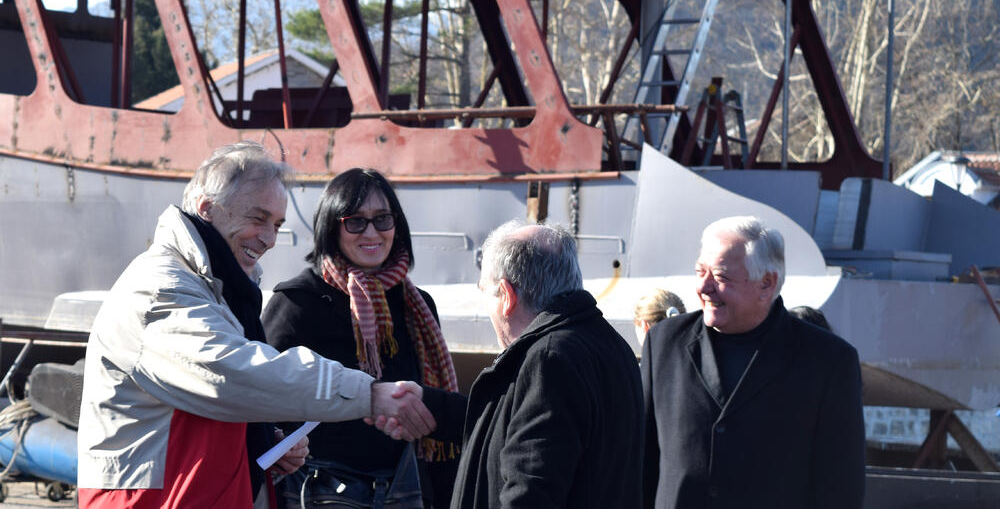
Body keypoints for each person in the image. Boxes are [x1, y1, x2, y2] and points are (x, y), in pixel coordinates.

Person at [77, 143, 436, 509]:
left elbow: (215, 401)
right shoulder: (161, 289)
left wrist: (264, 445)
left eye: (277, 224)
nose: (269, 239)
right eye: (257, 218)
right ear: (206, 208)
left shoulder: (213, 287)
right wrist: (370, 394)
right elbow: (228, 374)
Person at [262, 168, 465, 508]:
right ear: (332, 227)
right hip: (319, 490)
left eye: (382, 219)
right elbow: (264, 397)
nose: (371, 232)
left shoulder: (418, 306)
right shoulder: (299, 301)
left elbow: (435, 406)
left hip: (404, 489)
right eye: (355, 221)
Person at [641, 215, 865, 509]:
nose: (704, 287)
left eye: (720, 277)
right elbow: (639, 461)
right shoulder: (665, 343)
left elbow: (840, 488)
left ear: (766, 284)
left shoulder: (828, 362)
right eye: (700, 272)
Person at [450, 220, 643, 509]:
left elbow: (530, 488)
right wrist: (433, 407)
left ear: (506, 296)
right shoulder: (612, 345)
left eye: (485, 291)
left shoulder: (550, 358)